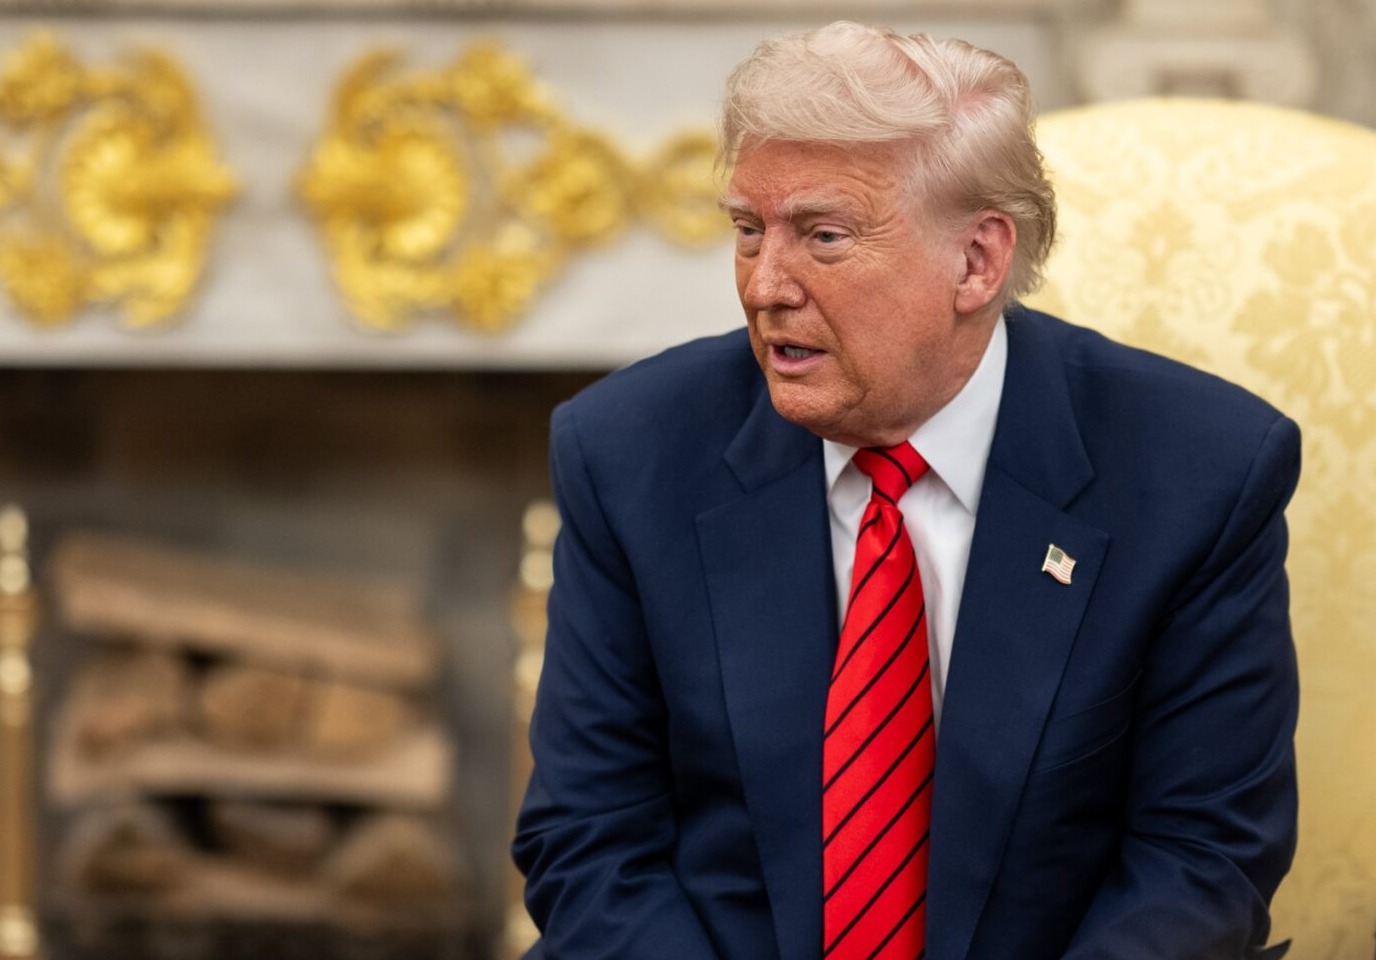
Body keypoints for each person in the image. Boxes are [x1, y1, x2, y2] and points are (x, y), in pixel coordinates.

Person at [514, 21, 1299, 960]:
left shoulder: (1196, 471)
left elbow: (1200, 857)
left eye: (824, 236)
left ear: (976, 261)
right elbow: (590, 840)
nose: (764, 287)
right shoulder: (630, 452)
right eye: (748, 231)